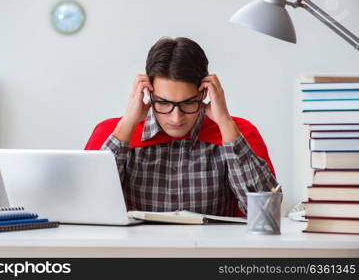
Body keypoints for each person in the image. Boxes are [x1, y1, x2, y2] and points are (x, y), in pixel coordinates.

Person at [85, 37, 279, 216]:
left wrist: (225, 122)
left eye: (188, 103)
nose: (176, 117)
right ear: (148, 93)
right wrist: (127, 124)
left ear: (204, 93)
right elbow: (88, 204)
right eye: (163, 102)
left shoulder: (237, 132)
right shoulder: (111, 133)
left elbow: (266, 212)